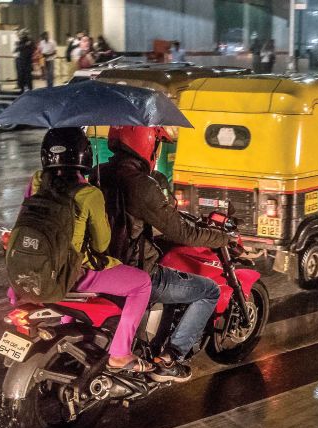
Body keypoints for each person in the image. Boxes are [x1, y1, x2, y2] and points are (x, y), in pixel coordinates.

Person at [92, 126, 231, 383]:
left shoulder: (98, 173)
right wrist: (221, 237)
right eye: (156, 144)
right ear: (146, 143)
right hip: (133, 270)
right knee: (209, 290)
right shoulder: (141, 184)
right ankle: (171, 359)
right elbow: (182, 233)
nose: (157, 150)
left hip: (100, 267)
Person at [27, 127, 154, 373]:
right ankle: (120, 354)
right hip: (72, 273)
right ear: (85, 156)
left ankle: (69, 333)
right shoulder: (88, 193)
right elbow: (101, 244)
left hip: (34, 268)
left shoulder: (36, 181)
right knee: (142, 283)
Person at [13, 29, 34, 93]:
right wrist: (25, 45)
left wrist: (25, 46)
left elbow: (32, 49)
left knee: (28, 77)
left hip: (28, 62)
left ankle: (30, 90)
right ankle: (22, 89)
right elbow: (16, 49)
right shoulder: (21, 42)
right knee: (21, 77)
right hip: (21, 61)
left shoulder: (30, 41)